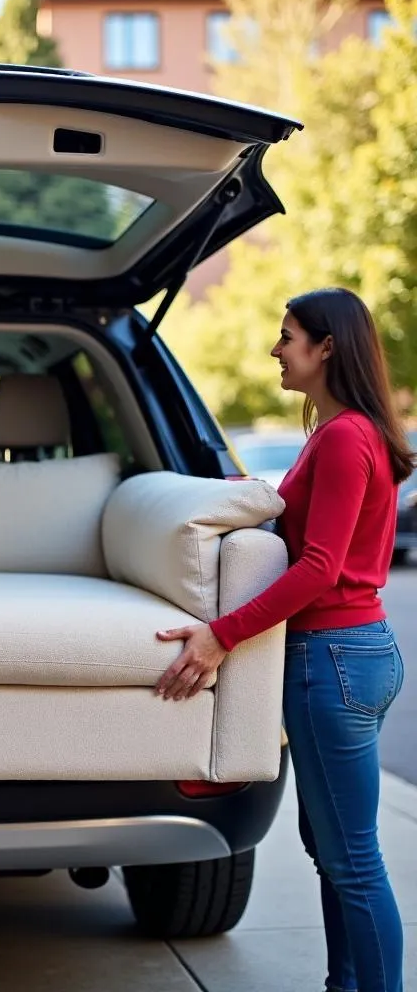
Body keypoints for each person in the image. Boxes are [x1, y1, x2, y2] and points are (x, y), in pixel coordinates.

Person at [154, 287, 413, 992]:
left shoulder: (343, 437)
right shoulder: (349, 433)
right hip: (359, 652)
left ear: (327, 348)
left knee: (352, 859)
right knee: (334, 851)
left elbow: (320, 568)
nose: (276, 348)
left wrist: (219, 637)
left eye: (288, 335)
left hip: (330, 658)